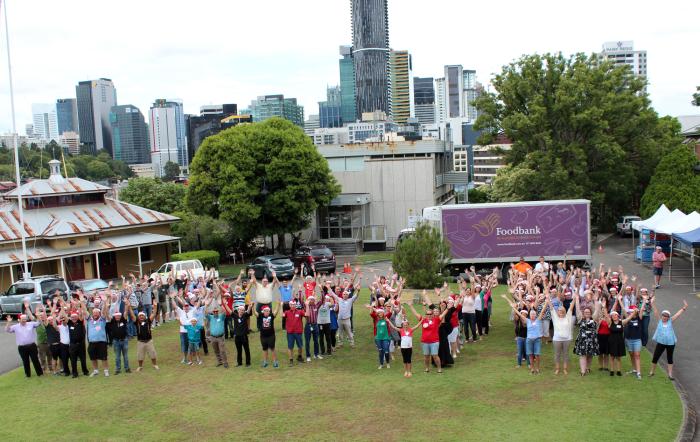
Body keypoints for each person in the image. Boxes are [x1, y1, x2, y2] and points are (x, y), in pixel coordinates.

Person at [406, 296, 450, 374]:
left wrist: (447, 308)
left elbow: (442, 314)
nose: (429, 315)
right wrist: (411, 306)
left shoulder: (436, 320)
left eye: (430, 314)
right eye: (427, 314)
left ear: (433, 314)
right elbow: (416, 314)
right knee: (426, 356)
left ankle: (439, 369)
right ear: (426, 314)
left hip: (434, 342)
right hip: (425, 342)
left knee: (435, 356)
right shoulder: (423, 320)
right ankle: (427, 369)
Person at [505, 295, 547, 374]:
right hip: (529, 340)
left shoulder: (538, 320)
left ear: (535, 315)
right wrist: (514, 308)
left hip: (537, 340)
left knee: (537, 355)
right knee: (530, 355)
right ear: (529, 316)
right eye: (531, 315)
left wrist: (546, 302)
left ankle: (537, 368)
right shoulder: (527, 321)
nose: (533, 315)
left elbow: (542, 311)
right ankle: (532, 368)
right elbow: (520, 314)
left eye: (534, 314)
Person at [649, 299, 688, 380]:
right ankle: (652, 372)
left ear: (668, 317)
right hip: (661, 343)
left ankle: (670, 374)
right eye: (663, 315)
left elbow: (677, 314)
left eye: (666, 316)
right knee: (655, 357)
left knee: (670, 358)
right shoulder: (659, 321)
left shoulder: (670, 321)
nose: (664, 317)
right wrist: (652, 303)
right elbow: (656, 312)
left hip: (670, 343)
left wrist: (684, 308)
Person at [5, 312, 43, 378]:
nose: (24, 320)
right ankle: (28, 375)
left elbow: (39, 323)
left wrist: (38, 316)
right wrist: (9, 322)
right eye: (23, 319)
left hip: (32, 346)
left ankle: (40, 374)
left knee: (35, 359)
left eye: (25, 319)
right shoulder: (15, 327)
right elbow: (7, 330)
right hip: (22, 347)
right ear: (19, 319)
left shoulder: (30, 324)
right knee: (25, 361)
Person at [127, 301, 159, 371]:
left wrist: (155, 306)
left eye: (142, 316)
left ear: (145, 316)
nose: (141, 317)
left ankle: (155, 365)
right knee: (140, 355)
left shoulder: (148, 321)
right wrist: (129, 307)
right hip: (140, 342)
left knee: (152, 354)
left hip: (149, 341)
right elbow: (132, 315)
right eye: (140, 316)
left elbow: (153, 314)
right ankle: (140, 366)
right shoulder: (137, 322)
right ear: (138, 317)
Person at [573, 294, 600, 376]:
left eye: (588, 312)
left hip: (592, 339)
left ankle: (587, 368)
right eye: (585, 312)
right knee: (582, 355)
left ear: (590, 313)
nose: (587, 313)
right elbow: (577, 309)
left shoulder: (594, 318)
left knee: (590, 355)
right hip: (582, 340)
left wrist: (596, 301)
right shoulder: (580, 318)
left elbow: (597, 310)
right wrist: (577, 300)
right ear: (583, 313)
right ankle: (582, 371)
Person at [547, 294, 575, 375]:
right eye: (559, 312)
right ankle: (557, 369)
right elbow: (551, 307)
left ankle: (565, 369)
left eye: (562, 312)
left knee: (565, 354)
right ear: (557, 312)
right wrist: (548, 298)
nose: (560, 313)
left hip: (567, 339)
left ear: (564, 312)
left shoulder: (568, 317)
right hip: (557, 339)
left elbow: (571, 307)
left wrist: (575, 298)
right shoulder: (555, 317)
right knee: (557, 354)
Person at [84, 293, 110, 377]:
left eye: (96, 313)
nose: (95, 314)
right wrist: (81, 302)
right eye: (93, 313)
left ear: (99, 314)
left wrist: (105, 302)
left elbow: (104, 311)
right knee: (93, 357)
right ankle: (96, 371)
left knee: (104, 357)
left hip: (101, 342)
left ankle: (106, 370)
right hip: (92, 342)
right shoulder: (89, 320)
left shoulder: (102, 319)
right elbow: (85, 311)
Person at [622, 296, 647, 380]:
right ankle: (634, 369)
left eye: (633, 312)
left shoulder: (639, 318)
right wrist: (619, 300)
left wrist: (643, 301)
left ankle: (639, 372)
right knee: (631, 355)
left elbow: (641, 310)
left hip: (637, 340)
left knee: (637, 355)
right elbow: (623, 308)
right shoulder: (627, 318)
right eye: (630, 312)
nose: (631, 313)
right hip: (628, 339)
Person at [205, 295, 230, 369]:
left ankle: (225, 362)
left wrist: (221, 305)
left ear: (218, 312)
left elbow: (225, 312)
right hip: (213, 337)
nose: (215, 312)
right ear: (213, 312)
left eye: (216, 311)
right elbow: (206, 313)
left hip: (220, 337)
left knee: (222, 351)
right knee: (216, 350)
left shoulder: (221, 317)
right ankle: (219, 362)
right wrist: (206, 305)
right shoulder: (211, 317)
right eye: (214, 311)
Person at [253, 303, 280, 368]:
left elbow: (276, 312)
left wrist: (278, 305)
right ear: (263, 311)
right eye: (266, 311)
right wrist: (252, 307)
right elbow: (255, 313)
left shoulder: (271, 315)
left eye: (268, 311)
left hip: (271, 335)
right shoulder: (260, 316)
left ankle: (275, 362)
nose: (267, 312)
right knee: (265, 349)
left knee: (272, 348)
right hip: (263, 336)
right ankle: (265, 362)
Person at [602, 308, 625, 377]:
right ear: (611, 317)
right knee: (612, 357)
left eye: (615, 315)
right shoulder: (610, 323)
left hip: (619, 342)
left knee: (618, 357)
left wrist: (634, 312)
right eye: (613, 316)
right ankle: (612, 371)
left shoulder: (622, 322)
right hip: (612, 342)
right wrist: (604, 307)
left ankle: (618, 371)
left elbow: (629, 318)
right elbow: (606, 316)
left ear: (618, 316)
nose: (614, 316)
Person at [282, 300, 305, 365]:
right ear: (289, 305)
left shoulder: (300, 312)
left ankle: (299, 357)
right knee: (290, 347)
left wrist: (306, 305)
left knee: (300, 346)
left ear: (296, 305)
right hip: (290, 333)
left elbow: (306, 314)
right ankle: (291, 360)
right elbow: (282, 315)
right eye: (291, 305)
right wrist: (281, 306)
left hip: (298, 332)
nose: (293, 306)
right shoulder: (287, 312)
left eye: (294, 305)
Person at [108, 309, 130, 374]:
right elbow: (107, 315)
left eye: (118, 316)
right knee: (117, 357)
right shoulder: (112, 321)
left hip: (124, 340)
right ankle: (118, 369)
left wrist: (126, 305)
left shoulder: (123, 320)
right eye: (116, 316)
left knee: (125, 356)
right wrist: (106, 306)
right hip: (116, 341)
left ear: (120, 316)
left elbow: (126, 312)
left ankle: (127, 368)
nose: (117, 317)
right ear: (114, 316)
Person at [304, 295, 323, 362]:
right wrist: (300, 291)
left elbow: (322, 300)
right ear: (308, 300)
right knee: (307, 342)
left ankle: (316, 354)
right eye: (310, 299)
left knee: (316, 341)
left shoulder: (316, 306)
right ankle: (308, 356)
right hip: (308, 325)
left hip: (315, 325)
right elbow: (300, 301)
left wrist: (321, 290)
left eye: (313, 299)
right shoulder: (305, 306)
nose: (312, 301)